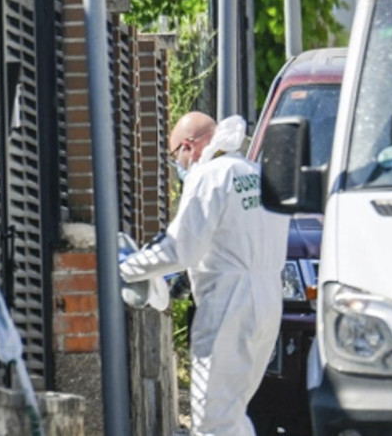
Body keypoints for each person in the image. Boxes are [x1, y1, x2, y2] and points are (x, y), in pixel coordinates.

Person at [119, 111, 290, 436]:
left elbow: (179, 249)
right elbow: (232, 240)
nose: (179, 167)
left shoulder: (209, 176)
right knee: (234, 411)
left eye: (176, 157)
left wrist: (126, 267)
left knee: (212, 419)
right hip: (267, 303)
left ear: (188, 146)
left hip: (227, 304)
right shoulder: (255, 172)